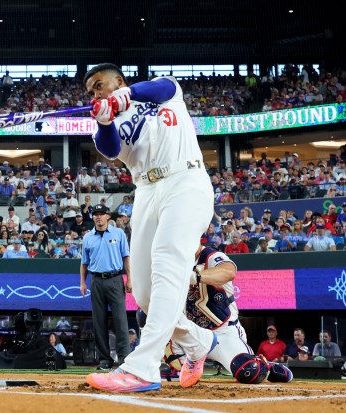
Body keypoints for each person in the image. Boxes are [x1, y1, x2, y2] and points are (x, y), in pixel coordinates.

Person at [83, 63, 216, 392]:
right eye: (90, 91)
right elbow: (111, 149)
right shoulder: (108, 121)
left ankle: (143, 368)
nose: (95, 93)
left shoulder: (164, 94)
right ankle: (198, 342)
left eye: (100, 85)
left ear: (119, 81)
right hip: (146, 191)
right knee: (143, 293)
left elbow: (165, 86)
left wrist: (122, 98)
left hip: (185, 179)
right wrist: (105, 120)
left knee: (168, 256)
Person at [165, 243, 292, 384]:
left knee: (248, 371)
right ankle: (179, 366)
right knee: (150, 317)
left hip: (223, 333)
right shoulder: (171, 259)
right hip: (193, 334)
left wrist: (195, 276)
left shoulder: (210, 256)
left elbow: (229, 271)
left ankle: (264, 365)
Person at [80, 204, 131, 371]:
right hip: (96, 280)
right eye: (96, 214)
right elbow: (84, 263)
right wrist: (82, 282)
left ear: (108, 216)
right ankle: (104, 360)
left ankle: (124, 359)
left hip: (115, 279)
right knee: (98, 322)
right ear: (93, 217)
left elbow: (126, 257)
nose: (98, 217)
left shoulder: (119, 233)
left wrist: (129, 279)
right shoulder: (88, 237)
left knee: (120, 321)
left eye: (102, 214)